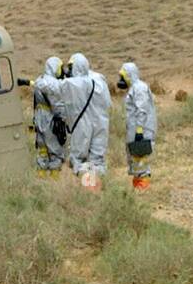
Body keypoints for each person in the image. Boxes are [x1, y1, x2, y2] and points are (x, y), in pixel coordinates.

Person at [60, 52, 109, 187]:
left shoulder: (73, 84)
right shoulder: (99, 79)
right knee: (97, 160)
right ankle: (96, 189)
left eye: (70, 67)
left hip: (83, 125)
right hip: (101, 124)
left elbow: (56, 89)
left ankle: (88, 190)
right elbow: (107, 102)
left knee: (81, 160)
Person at [116, 62, 157, 190]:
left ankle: (142, 188)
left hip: (141, 131)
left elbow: (142, 110)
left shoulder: (139, 88)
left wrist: (139, 130)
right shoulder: (134, 88)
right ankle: (138, 187)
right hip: (135, 131)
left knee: (140, 161)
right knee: (136, 161)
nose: (121, 80)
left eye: (123, 77)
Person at [31, 56, 66, 175]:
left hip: (39, 117)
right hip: (50, 119)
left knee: (42, 150)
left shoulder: (39, 80)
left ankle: (41, 176)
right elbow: (57, 105)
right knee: (55, 150)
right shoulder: (53, 84)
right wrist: (63, 118)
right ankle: (54, 179)